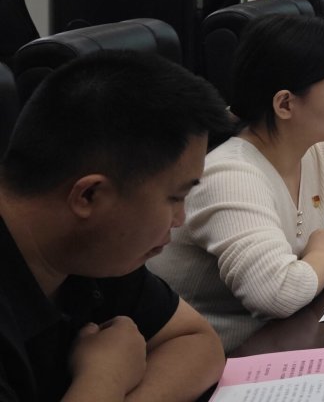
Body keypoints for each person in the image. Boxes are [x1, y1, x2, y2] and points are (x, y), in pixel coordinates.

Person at [150, 17, 324, 351]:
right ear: (285, 104)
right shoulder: (229, 175)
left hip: (284, 339)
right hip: (220, 360)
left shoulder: (312, 152)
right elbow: (276, 294)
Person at [0, 52, 228, 401]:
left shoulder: (96, 248)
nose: (180, 219)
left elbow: (198, 343)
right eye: (174, 198)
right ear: (89, 195)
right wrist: (104, 378)